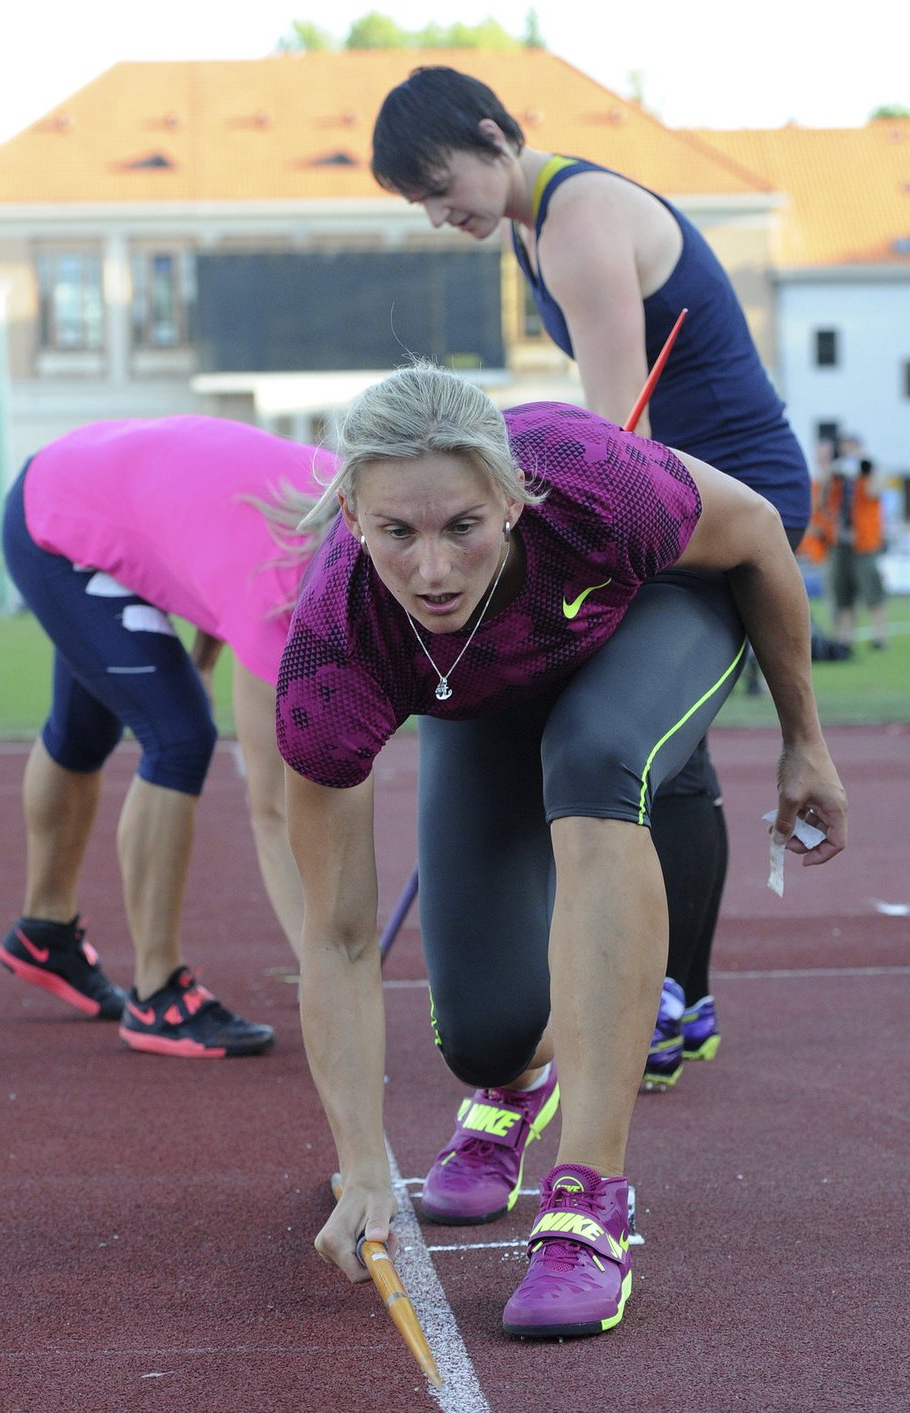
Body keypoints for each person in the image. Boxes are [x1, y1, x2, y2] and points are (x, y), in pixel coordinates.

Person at [278, 362, 846, 1339]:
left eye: (461, 525)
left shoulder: (591, 480)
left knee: (594, 762)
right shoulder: (334, 654)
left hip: (657, 612)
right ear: (352, 519)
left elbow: (753, 531)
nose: (432, 570)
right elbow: (335, 941)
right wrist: (364, 1162)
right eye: (396, 534)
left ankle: (587, 1205)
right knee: (487, 1036)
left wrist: (804, 741)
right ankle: (517, 1083)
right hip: (482, 689)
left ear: (509, 499)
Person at [371, 65, 816, 1090]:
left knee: (635, 734)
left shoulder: (577, 222)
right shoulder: (534, 224)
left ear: (495, 136)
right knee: (671, 746)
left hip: (731, 507)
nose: (441, 216)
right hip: (676, 491)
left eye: (443, 187)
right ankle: (679, 996)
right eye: (422, 205)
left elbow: (624, 439)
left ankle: (669, 993)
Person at [0, 415, 336, 1057]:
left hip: (90, 477)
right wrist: (330, 968)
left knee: (84, 728)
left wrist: (203, 664)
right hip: (58, 518)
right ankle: (157, 995)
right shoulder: (280, 590)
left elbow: (214, 548)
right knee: (181, 734)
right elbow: (272, 811)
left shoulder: (334, 500)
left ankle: (44, 935)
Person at [815, 433, 887, 652]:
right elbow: (821, 503)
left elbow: (874, 491)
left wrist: (866, 468)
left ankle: (879, 637)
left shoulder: (869, 472)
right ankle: (844, 638)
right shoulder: (837, 478)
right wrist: (832, 471)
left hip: (864, 543)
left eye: (852, 448)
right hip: (840, 542)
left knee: (872, 590)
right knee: (842, 592)